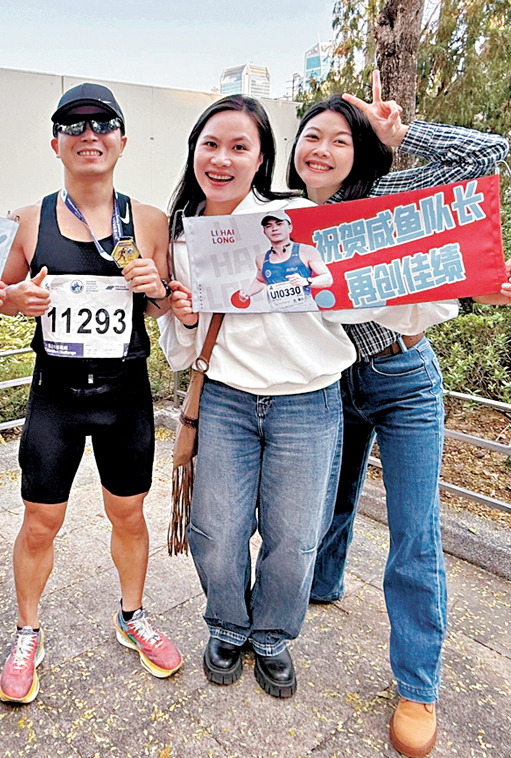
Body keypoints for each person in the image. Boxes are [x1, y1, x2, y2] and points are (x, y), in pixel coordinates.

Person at [288, 71, 511, 758]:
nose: (324, 148)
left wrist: (404, 136)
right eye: (312, 135)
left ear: (359, 150)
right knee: (328, 504)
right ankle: (322, 585)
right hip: (327, 381)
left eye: (342, 138)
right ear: (295, 152)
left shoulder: (387, 195)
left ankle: (417, 685)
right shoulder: (282, 220)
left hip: (403, 378)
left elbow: (485, 156)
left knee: (413, 534)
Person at [0, 83, 181, 704]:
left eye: (103, 123)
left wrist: (157, 289)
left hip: (125, 394)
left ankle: (132, 616)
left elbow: (169, 305)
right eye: (74, 125)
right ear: (56, 144)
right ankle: (27, 633)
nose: (89, 133)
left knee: (127, 513)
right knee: (41, 521)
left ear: (122, 141)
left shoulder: (150, 222)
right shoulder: (27, 221)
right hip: (57, 397)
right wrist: (15, 302)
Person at [159, 95, 357, 699]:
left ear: (263, 157)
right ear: (193, 152)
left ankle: (271, 636)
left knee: (295, 538)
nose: (221, 159)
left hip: (308, 401)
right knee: (216, 531)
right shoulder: (185, 241)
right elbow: (180, 350)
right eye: (210, 145)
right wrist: (183, 314)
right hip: (224, 400)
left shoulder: (300, 216)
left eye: (239, 146)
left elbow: (363, 273)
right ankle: (226, 624)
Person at [235, 209, 332, 311]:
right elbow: (260, 280)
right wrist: (248, 293)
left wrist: (306, 281)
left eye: (279, 224)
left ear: (290, 227)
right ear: (264, 232)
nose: (274, 229)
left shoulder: (306, 251)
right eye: (269, 226)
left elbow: (328, 279)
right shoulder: (261, 258)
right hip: (279, 316)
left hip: (306, 313)